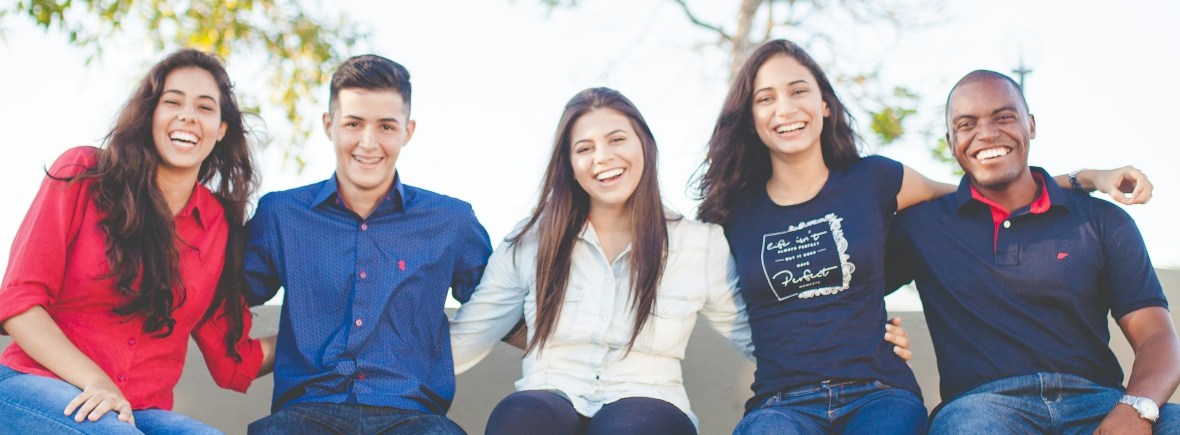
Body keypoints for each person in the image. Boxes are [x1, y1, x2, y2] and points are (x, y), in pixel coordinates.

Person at [693, 39, 1151, 434]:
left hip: (877, 392)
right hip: (781, 401)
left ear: (825, 104)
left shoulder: (876, 180)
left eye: (799, 90)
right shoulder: (732, 212)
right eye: (766, 98)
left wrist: (1087, 177)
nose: (786, 108)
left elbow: (984, 189)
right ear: (750, 115)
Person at [447, 87, 912, 435]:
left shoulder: (697, 244)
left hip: (649, 398)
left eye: (616, 139)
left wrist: (862, 339)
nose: (602, 157)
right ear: (569, 164)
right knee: (520, 417)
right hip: (551, 388)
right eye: (584, 148)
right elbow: (467, 338)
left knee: (631, 428)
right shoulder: (530, 241)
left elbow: (763, 336)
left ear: (644, 146)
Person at [886, 69, 1180, 434]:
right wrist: (882, 336)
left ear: (1031, 125)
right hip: (983, 410)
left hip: (1096, 403)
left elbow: (1156, 336)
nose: (986, 133)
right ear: (951, 141)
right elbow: (844, 290)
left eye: (1004, 117)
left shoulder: (1102, 220)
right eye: (966, 124)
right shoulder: (921, 226)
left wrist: (1136, 408)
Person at [0, 49, 274, 434]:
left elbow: (234, 362)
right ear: (150, 115)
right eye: (173, 102)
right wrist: (95, 381)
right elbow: (19, 304)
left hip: (139, 412)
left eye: (204, 107)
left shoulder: (218, 227)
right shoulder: (84, 174)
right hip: (33, 385)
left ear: (221, 128)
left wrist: (321, 332)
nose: (188, 116)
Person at [243, 54, 493, 435]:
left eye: (386, 126)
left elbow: (503, 306)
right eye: (354, 123)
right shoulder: (281, 214)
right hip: (305, 415)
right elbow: (219, 298)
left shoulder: (451, 221)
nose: (368, 142)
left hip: (414, 418)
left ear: (408, 131)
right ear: (329, 125)